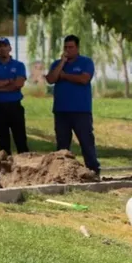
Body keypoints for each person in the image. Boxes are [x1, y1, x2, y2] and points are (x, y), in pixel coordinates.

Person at [46, 35, 100, 176]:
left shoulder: (86, 62)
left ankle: (93, 170)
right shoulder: (58, 64)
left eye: (71, 47)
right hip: (61, 111)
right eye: (66, 47)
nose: (68, 50)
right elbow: (51, 79)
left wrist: (64, 76)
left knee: (86, 142)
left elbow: (84, 79)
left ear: (77, 48)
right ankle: (61, 172)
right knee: (62, 145)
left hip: (81, 111)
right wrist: (62, 63)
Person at [0, 37, 29, 155]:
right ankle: (6, 167)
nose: (2, 49)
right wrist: (8, 81)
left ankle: (25, 167)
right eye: (0, 46)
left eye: (5, 46)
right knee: (3, 143)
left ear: (10, 48)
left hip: (14, 106)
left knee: (21, 140)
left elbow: (18, 84)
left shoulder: (19, 65)